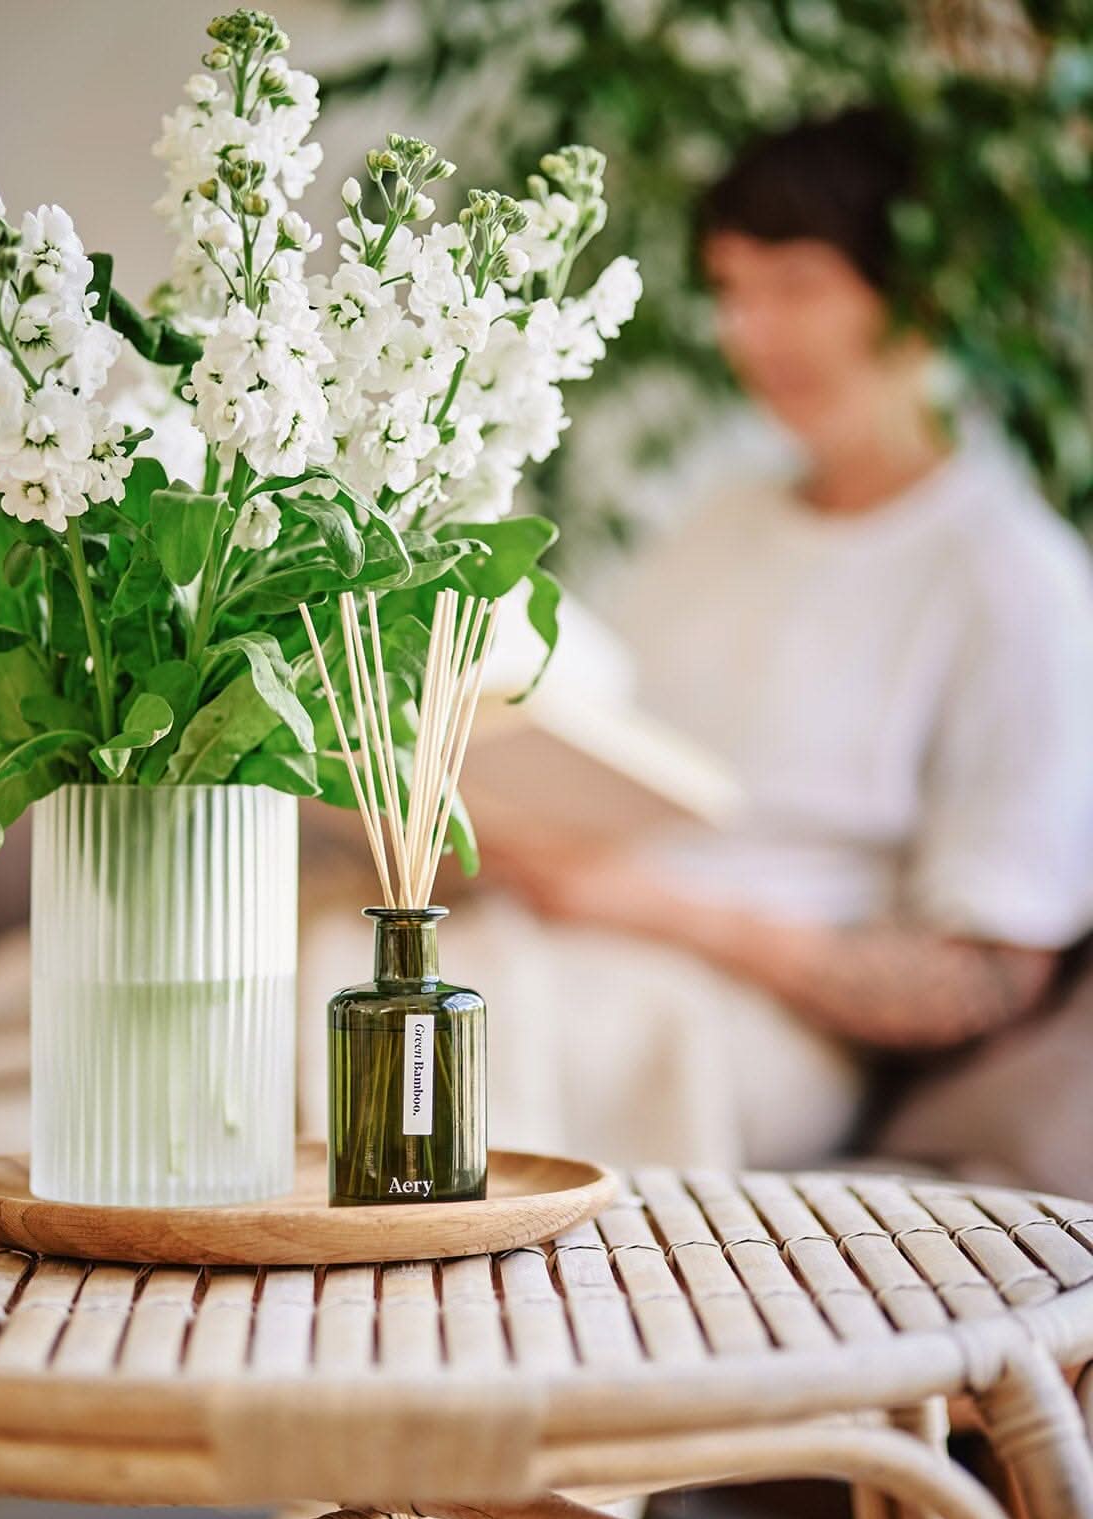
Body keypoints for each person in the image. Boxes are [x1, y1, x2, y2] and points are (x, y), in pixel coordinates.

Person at [391, 106, 1093, 1174]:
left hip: (746, 1015)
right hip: (563, 929)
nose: (750, 334)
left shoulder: (1014, 584)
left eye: (798, 285)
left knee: (434, 1042)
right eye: (730, 290)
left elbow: (988, 978)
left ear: (921, 293)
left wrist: (648, 905)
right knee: (308, 971)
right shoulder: (720, 519)